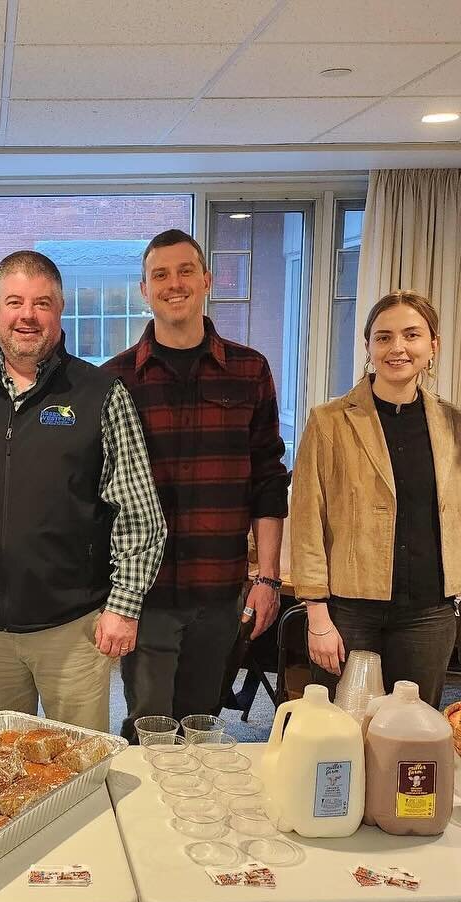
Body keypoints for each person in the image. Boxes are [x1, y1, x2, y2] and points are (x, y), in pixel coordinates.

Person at [0, 250, 166, 735]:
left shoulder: (100, 393)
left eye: (42, 303)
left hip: (73, 629)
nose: (27, 316)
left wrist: (124, 606)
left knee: (77, 764)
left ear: (58, 311)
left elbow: (139, 514)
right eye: (14, 302)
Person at [102, 229, 289, 739]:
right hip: (148, 594)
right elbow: (102, 496)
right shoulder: (114, 380)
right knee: (149, 728)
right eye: (160, 275)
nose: (174, 283)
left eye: (186, 271)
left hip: (220, 592)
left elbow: (269, 478)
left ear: (206, 280)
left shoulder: (249, 371)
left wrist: (268, 579)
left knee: (203, 724)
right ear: (144, 289)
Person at [291, 289, 461, 711]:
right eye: (384, 337)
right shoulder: (329, 420)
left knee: (414, 733)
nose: (398, 348)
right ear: (368, 346)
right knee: (342, 729)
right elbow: (306, 519)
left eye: (412, 335)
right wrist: (316, 614)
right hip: (350, 609)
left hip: (430, 609)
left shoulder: (454, 423)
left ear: (433, 346)